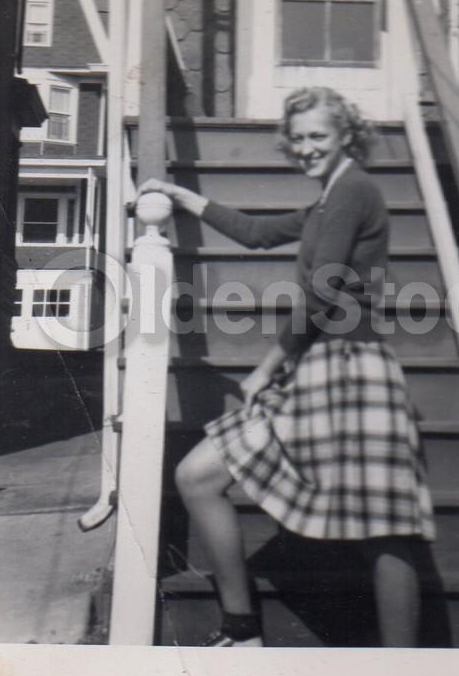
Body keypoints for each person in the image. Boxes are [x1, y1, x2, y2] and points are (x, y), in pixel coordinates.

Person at [138, 86, 435, 647]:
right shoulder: (330, 197)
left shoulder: (354, 190)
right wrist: (179, 194)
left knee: (386, 530)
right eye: (296, 138)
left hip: (350, 368)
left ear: (346, 133)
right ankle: (242, 626)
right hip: (317, 367)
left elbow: (324, 293)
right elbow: (257, 234)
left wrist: (265, 367)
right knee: (198, 476)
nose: (305, 147)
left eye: (317, 135)